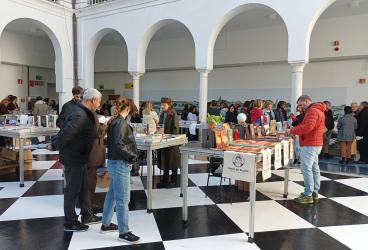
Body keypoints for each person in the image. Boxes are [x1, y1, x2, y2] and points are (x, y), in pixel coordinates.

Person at [49, 88, 102, 232]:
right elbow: (66, 133)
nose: (99, 104)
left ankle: (87, 215)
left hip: (81, 156)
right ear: (92, 100)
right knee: (72, 189)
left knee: (84, 187)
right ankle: (70, 221)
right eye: (99, 101)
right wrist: (54, 145)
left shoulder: (83, 111)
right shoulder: (80, 114)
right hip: (74, 157)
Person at [101, 97, 140, 243]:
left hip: (114, 162)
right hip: (120, 163)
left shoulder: (115, 121)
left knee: (112, 195)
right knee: (123, 199)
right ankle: (124, 232)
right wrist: (131, 158)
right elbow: (119, 145)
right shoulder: (121, 123)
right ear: (128, 109)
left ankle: (105, 224)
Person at [286, 95, 326, 204]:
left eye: (300, 104)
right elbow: (307, 125)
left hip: (311, 144)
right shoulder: (317, 110)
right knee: (314, 168)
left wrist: (291, 131)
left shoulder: (312, 111)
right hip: (315, 143)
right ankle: (314, 192)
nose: (300, 107)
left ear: (307, 101)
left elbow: (307, 127)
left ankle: (308, 194)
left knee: (306, 168)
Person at [87, 110, 108, 211]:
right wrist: (105, 125)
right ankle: (88, 204)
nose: (99, 103)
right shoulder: (90, 114)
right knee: (90, 179)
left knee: (89, 178)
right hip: (92, 152)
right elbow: (97, 133)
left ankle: (86, 203)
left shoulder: (85, 113)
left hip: (89, 152)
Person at [157, 97, 180, 188]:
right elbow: (160, 125)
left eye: (164, 105)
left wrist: (172, 140)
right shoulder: (163, 113)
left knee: (172, 161)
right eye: (161, 104)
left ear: (169, 105)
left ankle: (173, 181)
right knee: (165, 160)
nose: (162, 106)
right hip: (163, 140)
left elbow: (175, 127)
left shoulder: (173, 113)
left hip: (171, 141)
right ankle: (165, 180)